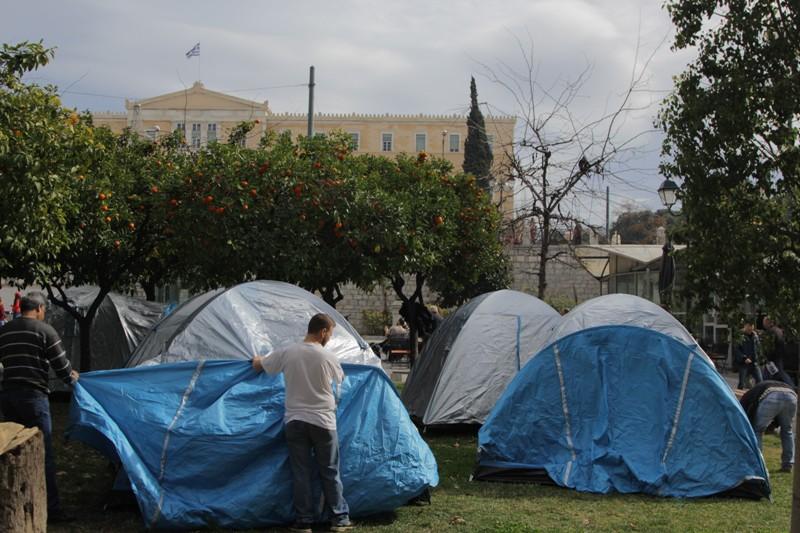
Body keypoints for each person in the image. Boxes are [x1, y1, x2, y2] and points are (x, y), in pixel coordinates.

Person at [252, 313, 353, 532]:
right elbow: (342, 381)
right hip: (324, 421)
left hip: (295, 420)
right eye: (330, 333)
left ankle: (304, 521)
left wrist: (254, 359)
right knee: (330, 471)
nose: (330, 338)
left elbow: (259, 365)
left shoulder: (288, 352)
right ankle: (339, 519)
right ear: (323, 331)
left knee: (301, 472)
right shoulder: (328, 357)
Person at [0, 292, 79, 522]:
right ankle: (51, 509)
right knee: (41, 452)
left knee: (13, 451)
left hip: (8, 396)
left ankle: (15, 503)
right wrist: (72, 378)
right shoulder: (45, 331)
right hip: (33, 397)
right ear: (39, 308)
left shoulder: (5, 331)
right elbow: (61, 367)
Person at [740, 380, 797, 473]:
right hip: (791, 395)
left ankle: (758, 464)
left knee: (757, 431)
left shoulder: (746, 398)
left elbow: (746, 415)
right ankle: (788, 464)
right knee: (787, 431)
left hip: (771, 396)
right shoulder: (758, 389)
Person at [762, 317, 793, 385]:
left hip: (773, 357)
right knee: (774, 373)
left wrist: (768, 356)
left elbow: (770, 346)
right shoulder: (779, 330)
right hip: (778, 356)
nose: (763, 324)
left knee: (776, 373)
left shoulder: (771, 332)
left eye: (764, 322)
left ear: (768, 322)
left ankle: (791, 386)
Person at [735, 321, 763, 389]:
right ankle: (738, 397)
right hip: (744, 363)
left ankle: (758, 396)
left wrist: (760, 358)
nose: (750, 329)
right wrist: (744, 358)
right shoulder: (740, 336)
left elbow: (758, 348)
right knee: (742, 383)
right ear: (745, 326)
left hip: (754, 363)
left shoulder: (755, 336)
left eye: (751, 327)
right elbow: (737, 350)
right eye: (748, 327)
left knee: (760, 381)